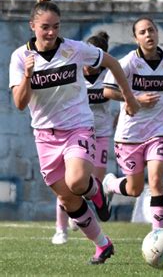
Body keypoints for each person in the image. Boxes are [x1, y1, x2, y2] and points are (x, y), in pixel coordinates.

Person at [9, 0, 140, 264]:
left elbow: (112, 63)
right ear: (32, 26)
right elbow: (20, 103)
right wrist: (27, 76)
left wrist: (128, 97)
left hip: (78, 127)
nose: (51, 32)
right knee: (68, 201)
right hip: (45, 136)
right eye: (45, 27)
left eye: (56, 26)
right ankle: (103, 244)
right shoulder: (21, 57)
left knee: (77, 181)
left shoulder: (74, 49)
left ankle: (96, 190)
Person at [102, 17, 163, 230]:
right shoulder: (128, 62)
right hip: (130, 134)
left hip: (159, 130)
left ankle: (157, 234)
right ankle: (110, 184)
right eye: (142, 32)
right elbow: (107, 91)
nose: (148, 35)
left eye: (151, 30)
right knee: (135, 189)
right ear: (136, 38)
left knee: (156, 181)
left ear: (158, 33)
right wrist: (135, 100)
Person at [51, 31, 116, 245]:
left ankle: (84, 209)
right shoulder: (74, 71)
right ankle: (60, 229)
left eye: (94, 62)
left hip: (101, 135)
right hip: (76, 133)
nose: (89, 66)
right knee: (67, 185)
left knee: (91, 185)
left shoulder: (109, 75)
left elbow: (123, 94)